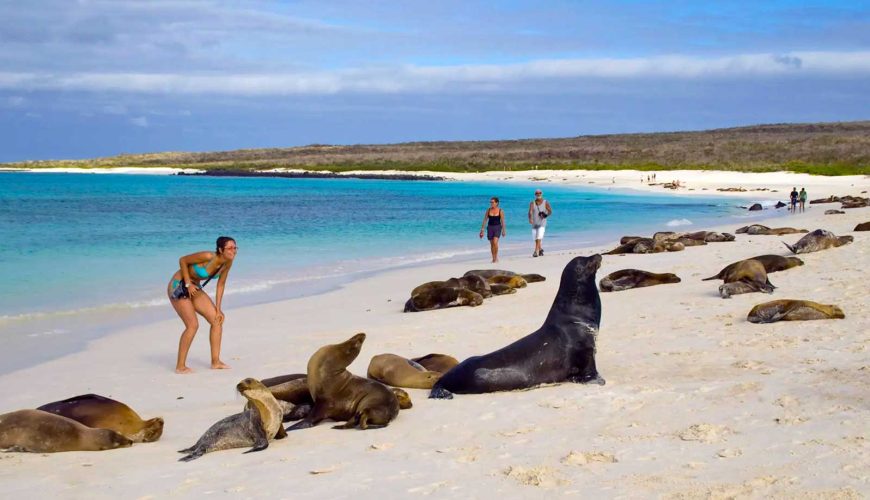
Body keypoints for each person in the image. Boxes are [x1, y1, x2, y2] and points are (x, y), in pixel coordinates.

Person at [167, 236, 237, 374]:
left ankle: (215, 362)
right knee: (192, 325)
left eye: (235, 248)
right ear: (220, 249)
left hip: (195, 288)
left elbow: (221, 284)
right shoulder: (207, 256)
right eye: (230, 248)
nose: (233, 251)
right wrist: (188, 283)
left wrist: (218, 309)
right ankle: (180, 366)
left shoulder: (227, 263)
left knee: (217, 320)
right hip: (179, 286)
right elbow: (183, 260)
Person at [479, 197, 505, 263]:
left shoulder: (500, 211)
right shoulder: (488, 210)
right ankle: (493, 258)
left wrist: (503, 230)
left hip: (497, 227)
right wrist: (482, 230)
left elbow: (502, 221)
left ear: (497, 203)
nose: (491, 203)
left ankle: (496, 257)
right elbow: (485, 220)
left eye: (492, 202)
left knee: (495, 242)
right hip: (490, 228)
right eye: (490, 202)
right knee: (492, 244)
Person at [528, 189, 552, 257]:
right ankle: (540, 249)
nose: (538, 194)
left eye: (539, 193)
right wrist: (530, 218)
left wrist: (545, 215)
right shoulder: (532, 203)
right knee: (535, 238)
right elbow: (530, 211)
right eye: (537, 193)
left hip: (542, 223)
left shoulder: (545, 202)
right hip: (534, 223)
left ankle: (536, 251)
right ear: (535, 194)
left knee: (539, 236)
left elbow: (550, 211)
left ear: (541, 194)